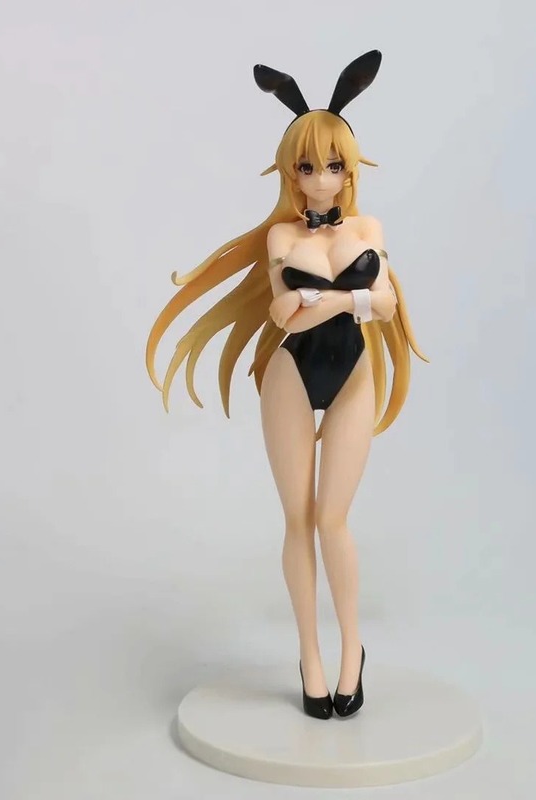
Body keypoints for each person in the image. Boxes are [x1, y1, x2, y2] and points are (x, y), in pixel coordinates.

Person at [146, 50, 427, 719]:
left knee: (332, 519)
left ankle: (353, 650)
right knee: (297, 519)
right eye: (306, 166)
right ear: (289, 171)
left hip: (352, 374)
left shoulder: (368, 228)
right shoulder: (280, 235)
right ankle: (311, 656)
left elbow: (387, 305)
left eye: (333, 165)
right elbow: (282, 316)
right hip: (290, 375)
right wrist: (355, 300)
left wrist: (326, 301)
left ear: (350, 168)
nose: (321, 179)